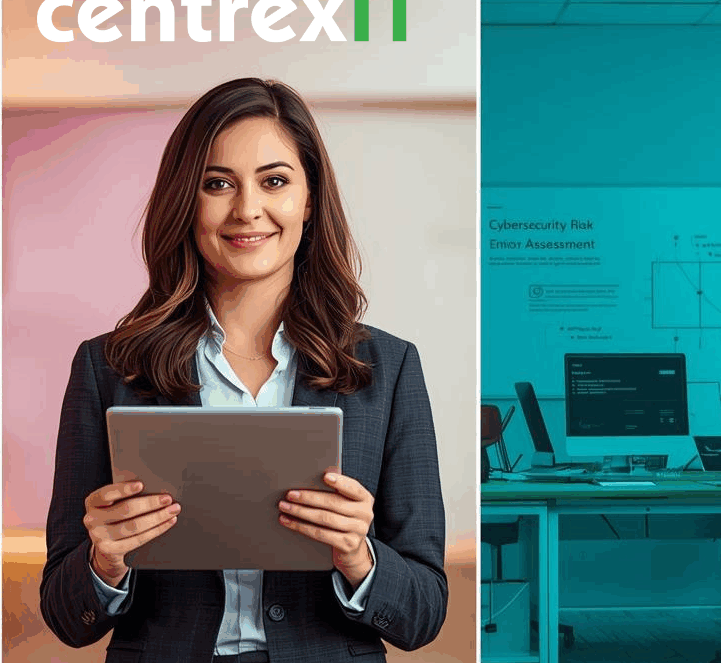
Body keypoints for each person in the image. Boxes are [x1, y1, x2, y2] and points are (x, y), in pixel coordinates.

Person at [39, 78, 447, 663]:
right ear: (186, 199)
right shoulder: (108, 368)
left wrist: (360, 555)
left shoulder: (387, 368)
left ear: (309, 200)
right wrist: (104, 561)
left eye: (274, 181)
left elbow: (425, 612)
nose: (247, 209)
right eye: (217, 184)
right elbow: (64, 615)